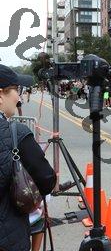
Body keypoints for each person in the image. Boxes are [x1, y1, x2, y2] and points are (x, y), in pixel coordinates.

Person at [0, 64, 56, 251]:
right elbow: (47, 180)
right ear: (1, 95)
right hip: (8, 236)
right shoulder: (16, 133)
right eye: (16, 90)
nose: (19, 97)